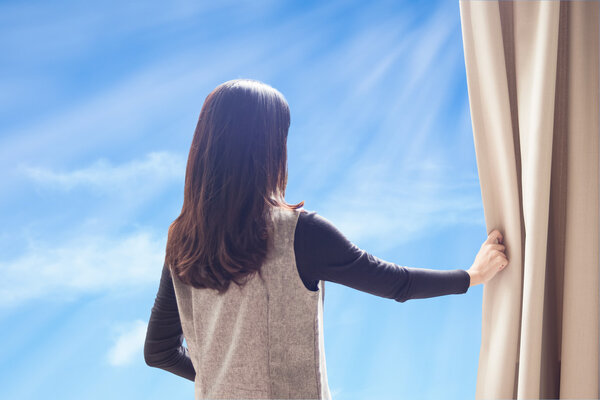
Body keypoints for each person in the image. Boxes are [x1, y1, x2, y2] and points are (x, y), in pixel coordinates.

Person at [143, 78, 509, 400]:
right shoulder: (301, 233)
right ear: (269, 148)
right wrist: (472, 275)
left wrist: (219, 381)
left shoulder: (182, 240)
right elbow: (397, 283)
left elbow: (158, 351)